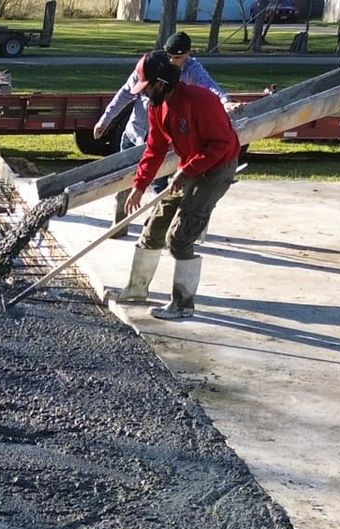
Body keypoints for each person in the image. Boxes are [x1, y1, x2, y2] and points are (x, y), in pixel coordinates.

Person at [111, 49, 241, 320]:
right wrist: (139, 184)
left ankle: (183, 304)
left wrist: (186, 171)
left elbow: (222, 144)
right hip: (191, 164)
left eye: (147, 88)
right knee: (154, 226)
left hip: (217, 167)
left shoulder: (201, 100)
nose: (144, 94)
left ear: (162, 82)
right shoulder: (157, 107)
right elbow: (154, 149)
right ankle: (136, 289)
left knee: (180, 237)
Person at [94, 31, 229, 222]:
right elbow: (125, 93)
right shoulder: (151, 68)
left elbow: (211, 88)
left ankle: (155, 222)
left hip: (165, 138)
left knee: (160, 184)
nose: (173, 61)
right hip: (136, 133)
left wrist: (225, 102)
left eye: (178, 57)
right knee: (125, 182)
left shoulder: (191, 73)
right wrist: (105, 119)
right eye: (170, 56)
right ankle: (121, 223)